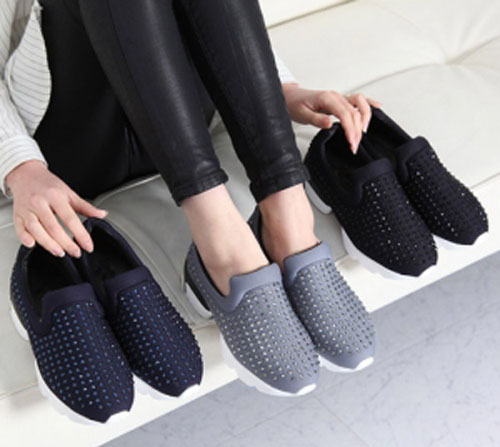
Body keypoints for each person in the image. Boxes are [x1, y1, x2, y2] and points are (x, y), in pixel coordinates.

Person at [1, 0, 381, 297]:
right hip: (71, 140)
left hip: (183, 120)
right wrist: (21, 166)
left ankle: (289, 222)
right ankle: (223, 247)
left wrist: (280, 90)